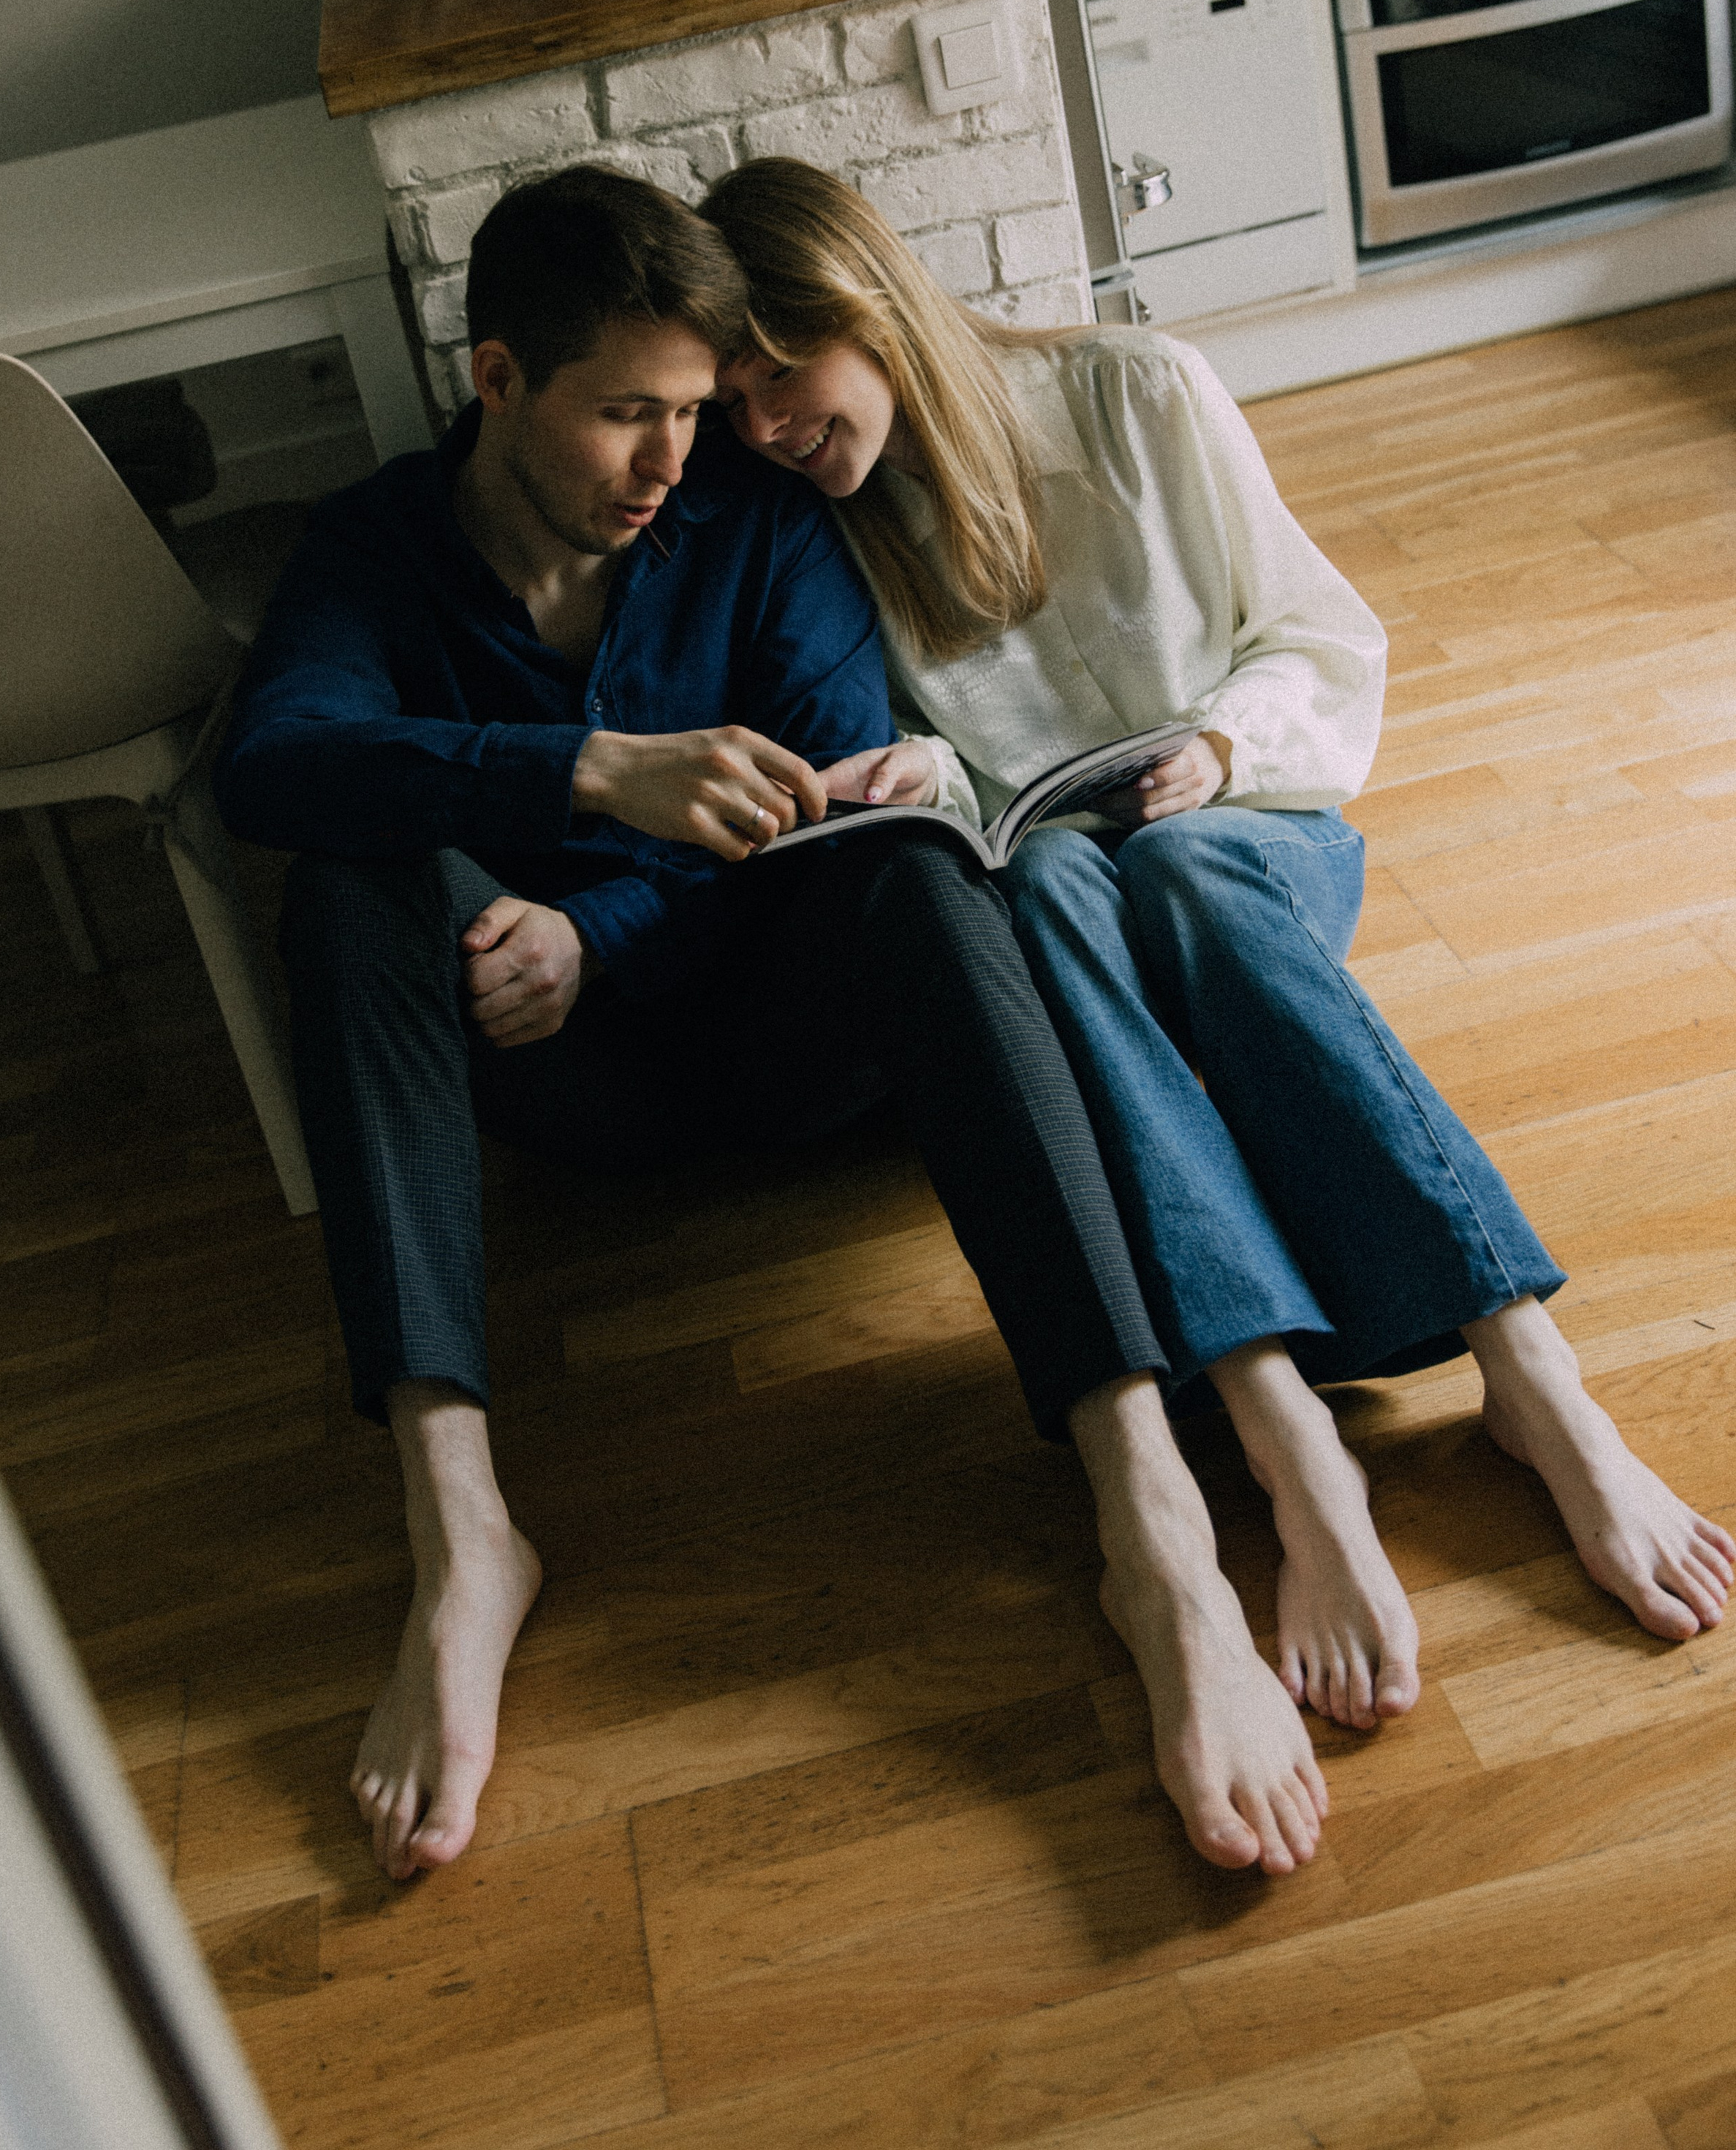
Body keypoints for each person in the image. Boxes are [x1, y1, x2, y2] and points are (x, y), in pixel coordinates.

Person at [215, 163, 1338, 1890]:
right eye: (625, 414)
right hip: (565, 1082)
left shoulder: (750, 514)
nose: (671, 461)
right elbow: (272, 765)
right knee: (346, 888)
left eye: (691, 411)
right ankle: (461, 1539)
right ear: (498, 378)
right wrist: (585, 770)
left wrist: (598, 926)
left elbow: (827, 795)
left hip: (800, 1042)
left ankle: (1151, 1516)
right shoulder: (374, 546)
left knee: (912, 855)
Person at [704, 154, 1735, 1765]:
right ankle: (1283, 1432)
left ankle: (1532, 1374)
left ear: (871, 308)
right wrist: (924, 771)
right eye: (736, 403)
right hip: (1069, 893)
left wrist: (1222, 742)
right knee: (1054, 878)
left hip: (1247, 848)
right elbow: (946, 771)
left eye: (784, 375)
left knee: (1181, 867)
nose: (767, 426)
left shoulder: (1139, 394)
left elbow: (1322, 637)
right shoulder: (822, 535)